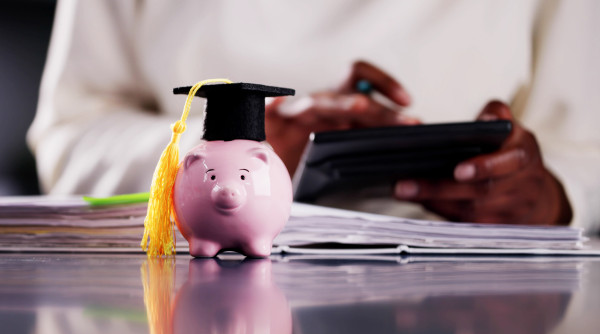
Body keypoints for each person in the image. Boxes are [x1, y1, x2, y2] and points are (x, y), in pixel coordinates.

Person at [27, 0, 600, 233]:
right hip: (189, 276)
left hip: (480, 284)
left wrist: (552, 196)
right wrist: (218, 152)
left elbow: (585, 153)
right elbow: (72, 131)